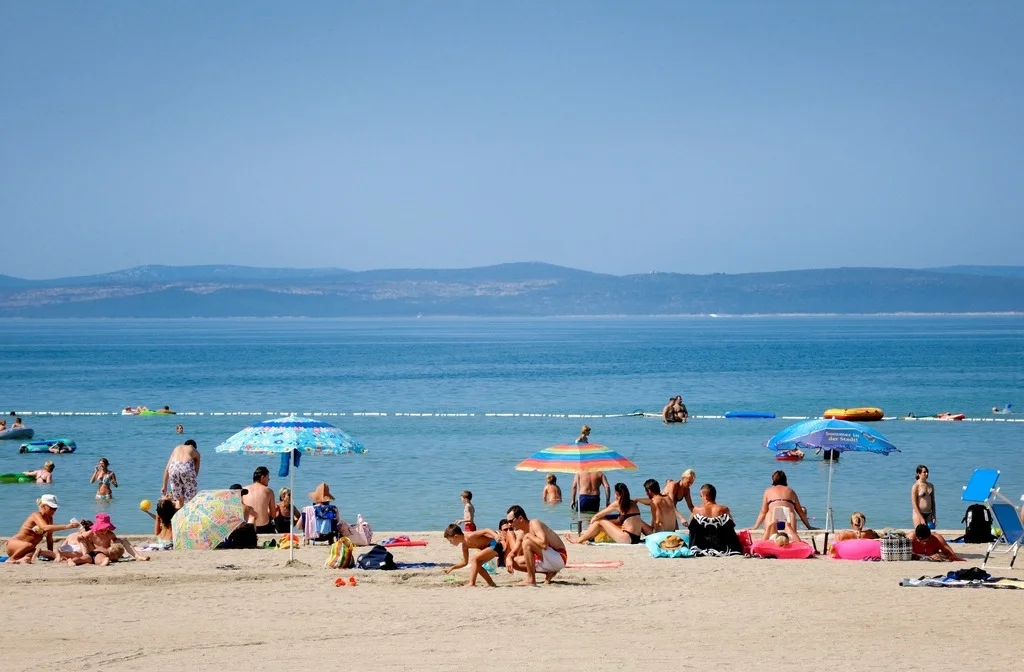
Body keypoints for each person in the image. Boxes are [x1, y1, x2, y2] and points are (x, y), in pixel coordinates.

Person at [504, 505, 567, 586]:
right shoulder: (521, 533)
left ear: (520, 518)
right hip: (547, 559)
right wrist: (509, 558)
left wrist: (528, 536)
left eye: (511, 521)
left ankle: (531, 579)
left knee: (527, 543)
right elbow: (514, 552)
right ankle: (549, 572)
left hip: (559, 557)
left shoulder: (534, 523)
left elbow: (544, 545)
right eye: (507, 521)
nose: (509, 524)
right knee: (514, 561)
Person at [5, 495, 78, 563]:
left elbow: (49, 539)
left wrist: (51, 554)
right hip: (14, 544)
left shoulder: (49, 519)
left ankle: (20, 560)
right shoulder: (36, 515)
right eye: (51, 508)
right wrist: (67, 527)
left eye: (55, 509)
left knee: (35, 554)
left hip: (28, 549)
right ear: (43, 506)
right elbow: (45, 527)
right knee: (30, 545)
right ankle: (11, 559)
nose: (53, 511)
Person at [568, 482, 645, 545]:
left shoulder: (618, 503)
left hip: (627, 538)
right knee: (600, 526)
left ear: (617, 494)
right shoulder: (633, 503)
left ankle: (578, 540)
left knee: (599, 521)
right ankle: (588, 539)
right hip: (636, 538)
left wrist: (591, 522)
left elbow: (598, 515)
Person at [751, 470, 815, 541]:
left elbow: (763, 512)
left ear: (773, 479)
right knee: (791, 538)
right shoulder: (791, 491)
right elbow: (800, 511)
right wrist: (809, 526)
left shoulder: (768, 491)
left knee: (770, 536)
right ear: (785, 479)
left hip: (773, 517)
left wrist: (755, 527)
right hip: (788, 516)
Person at [687, 484, 743, 556]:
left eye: (701, 496)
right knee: (727, 519)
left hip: (702, 546)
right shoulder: (724, 509)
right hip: (722, 546)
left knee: (694, 519)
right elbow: (731, 526)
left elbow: (691, 528)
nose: (701, 498)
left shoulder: (697, 509)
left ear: (706, 496)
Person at [161, 439, 200, 507]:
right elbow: (196, 471)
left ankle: (179, 516)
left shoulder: (177, 448)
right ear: (194, 446)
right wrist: (189, 485)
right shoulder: (194, 450)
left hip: (173, 468)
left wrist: (164, 486)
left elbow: (167, 470)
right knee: (191, 499)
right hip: (186, 467)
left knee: (179, 499)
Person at [242, 466, 277, 534]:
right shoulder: (268, 491)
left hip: (248, 527)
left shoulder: (243, 489)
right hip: (263, 527)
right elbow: (273, 514)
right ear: (262, 477)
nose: (269, 479)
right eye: (268, 477)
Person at [911, 465, 937, 529]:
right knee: (920, 534)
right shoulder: (916, 486)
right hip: (918, 513)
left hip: (929, 514)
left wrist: (934, 515)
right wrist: (921, 518)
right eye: (924, 472)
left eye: (927, 472)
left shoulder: (931, 485)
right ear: (919, 473)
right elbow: (914, 503)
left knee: (930, 534)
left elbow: (933, 502)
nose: (927, 474)